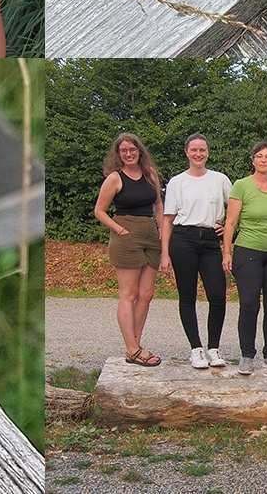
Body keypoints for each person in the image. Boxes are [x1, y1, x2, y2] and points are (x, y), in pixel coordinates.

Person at [160, 134, 232, 369]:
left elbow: (235, 209)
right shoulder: (177, 182)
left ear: (208, 152)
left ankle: (214, 347)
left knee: (218, 295)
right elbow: (168, 218)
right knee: (187, 295)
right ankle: (196, 348)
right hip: (184, 239)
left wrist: (228, 226)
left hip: (211, 240)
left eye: (202, 150)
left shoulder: (219, 179)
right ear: (186, 152)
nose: (198, 154)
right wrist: (164, 253)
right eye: (194, 150)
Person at [93, 133, 164, 366]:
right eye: (124, 151)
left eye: (132, 149)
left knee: (146, 294)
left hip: (150, 233)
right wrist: (119, 229)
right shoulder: (115, 178)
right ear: (118, 154)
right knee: (129, 294)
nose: (129, 154)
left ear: (139, 151)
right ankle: (132, 349)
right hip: (126, 233)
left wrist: (163, 230)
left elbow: (158, 204)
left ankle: (136, 345)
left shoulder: (150, 174)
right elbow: (100, 211)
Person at [223, 142, 267, 375]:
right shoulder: (241, 186)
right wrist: (227, 252)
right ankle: (247, 355)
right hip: (248, 251)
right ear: (253, 160)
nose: (263, 160)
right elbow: (230, 222)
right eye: (259, 156)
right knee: (249, 303)